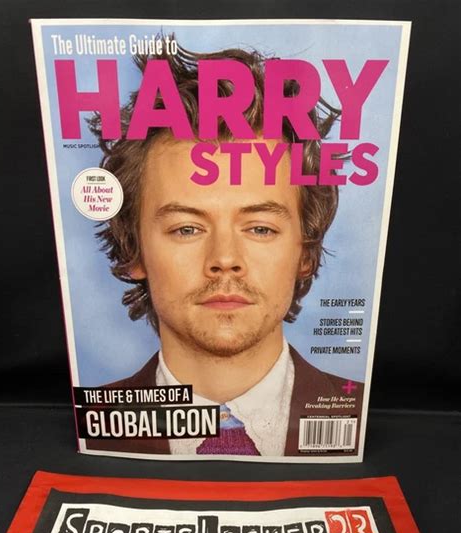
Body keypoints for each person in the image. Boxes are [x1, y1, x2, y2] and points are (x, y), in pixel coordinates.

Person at [87, 40, 363, 457]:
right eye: (186, 229)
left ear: (305, 252)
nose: (225, 260)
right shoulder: (93, 431)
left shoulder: (361, 417)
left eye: (260, 228)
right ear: (134, 250)